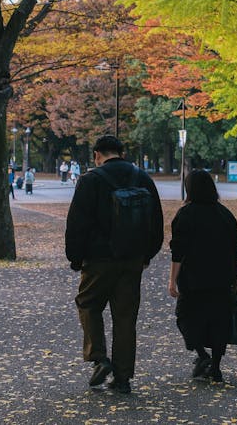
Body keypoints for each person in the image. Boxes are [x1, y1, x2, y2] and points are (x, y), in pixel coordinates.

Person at [65, 135, 163, 395]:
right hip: (132, 260)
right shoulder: (143, 179)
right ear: (122, 152)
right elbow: (156, 222)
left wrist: (75, 258)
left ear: (97, 154)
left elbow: (77, 224)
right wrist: (147, 255)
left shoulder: (90, 181)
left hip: (98, 259)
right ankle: (123, 378)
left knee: (88, 303)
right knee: (125, 317)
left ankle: (99, 357)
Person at [169, 170, 237, 384]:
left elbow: (178, 251)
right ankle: (216, 367)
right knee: (219, 322)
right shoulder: (225, 215)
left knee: (185, 317)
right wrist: (235, 276)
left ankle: (202, 354)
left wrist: (172, 279)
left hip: (193, 279)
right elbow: (235, 249)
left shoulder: (185, 215)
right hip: (221, 278)